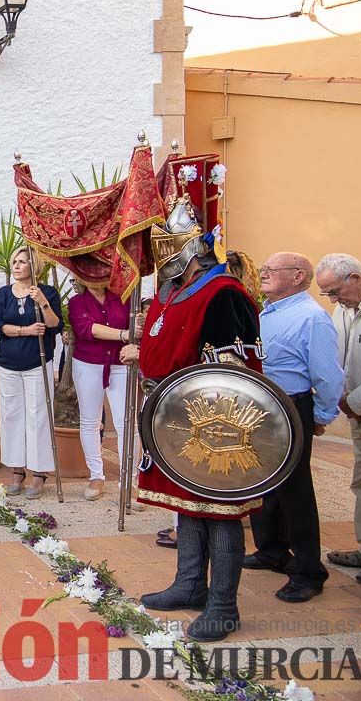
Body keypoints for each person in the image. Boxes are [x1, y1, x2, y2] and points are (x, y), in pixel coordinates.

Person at [122, 163, 262, 642]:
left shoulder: (223, 294)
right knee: (186, 503)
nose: (161, 257)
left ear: (193, 249)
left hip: (214, 422)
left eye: (168, 247)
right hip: (172, 415)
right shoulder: (171, 292)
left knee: (218, 511)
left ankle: (224, 605)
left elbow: (234, 371)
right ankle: (189, 584)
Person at [241, 252, 343, 603]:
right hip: (262, 407)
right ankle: (271, 549)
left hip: (291, 406)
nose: (264, 273)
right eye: (264, 268)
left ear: (299, 276)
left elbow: (328, 376)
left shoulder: (312, 318)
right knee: (266, 482)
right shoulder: (270, 311)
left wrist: (321, 416)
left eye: (271, 270)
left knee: (295, 489)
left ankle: (309, 571)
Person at [316, 253, 361, 588]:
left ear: (355, 278)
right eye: (327, 294)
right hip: (359, 414)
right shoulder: (344, 308)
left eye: (335, 291)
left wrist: (353, 401)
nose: (333, 299)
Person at [0, 246, 62, 500]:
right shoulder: (3, 293)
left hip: (37, 363)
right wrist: (25, 331)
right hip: (9, 363)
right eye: (15, 262)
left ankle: (39, 472)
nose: (17, 266)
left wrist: (41, 301)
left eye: (23, 262)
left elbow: (54, 325)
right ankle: (16, 469)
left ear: (35, 267)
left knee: (38, 416)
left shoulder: (48, 293)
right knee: (11, 416)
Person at [67, 282, 132, 501]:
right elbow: (88, 329)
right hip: (88, 364)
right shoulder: (77, 302)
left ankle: (129, 479)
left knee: (126, 422)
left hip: (121, 364)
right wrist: (124, 334)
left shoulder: (124, 298)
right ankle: (96, 476)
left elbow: (135, 325)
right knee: (90, 421)